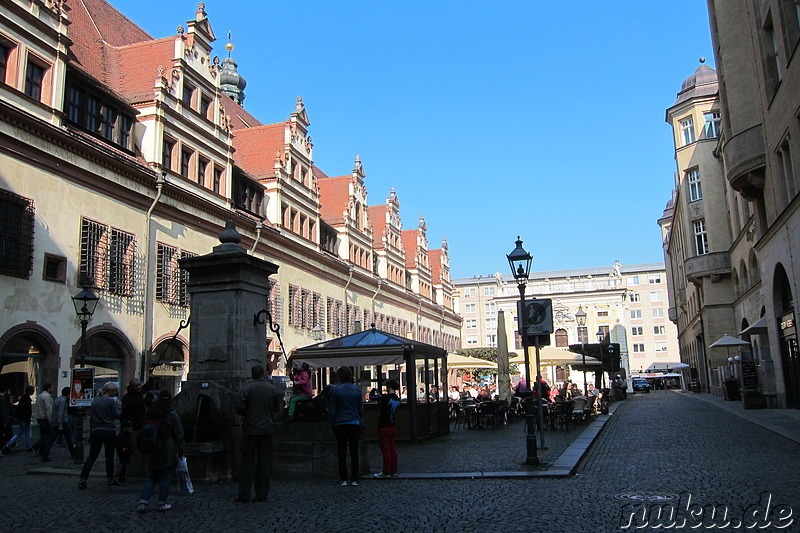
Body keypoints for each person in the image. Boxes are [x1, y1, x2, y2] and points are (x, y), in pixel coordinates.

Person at [234, 364, 281, 503]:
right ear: (263, 374)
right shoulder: (272, 389)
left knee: (247, 463)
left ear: (252, 375)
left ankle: (244, 494)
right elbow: (277, 408)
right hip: (266, 429)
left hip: (250, 430)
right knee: (264, 462)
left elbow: (239, 407)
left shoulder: (246, 389)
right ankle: (262, 493)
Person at [136, 390, 185, 512]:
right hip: (167, 446)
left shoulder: (151, 412)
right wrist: (181, 450)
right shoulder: (171, 413)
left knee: (152, 476)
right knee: (166, 476)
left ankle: (143, 502)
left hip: (152, 446)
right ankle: (162, 503)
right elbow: (179, 433)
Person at [78, 382, 121, 489]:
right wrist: (119, 407)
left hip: (97, 430)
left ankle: (83, 478)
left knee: (92, 456)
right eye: (114, 391)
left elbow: (92, 418)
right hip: (108, 430)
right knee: (109, 456)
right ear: (110, 391)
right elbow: (116, 416)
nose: (115, 393)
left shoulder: (95, 401)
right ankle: (110, 479)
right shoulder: (110, 402)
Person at [328, 366, 363, 486]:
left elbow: (332, 410)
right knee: (354, 451)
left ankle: (343, 478)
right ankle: (354, 479)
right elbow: (360, 408)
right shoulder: (356, 389)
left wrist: (332, 425)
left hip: (340, 422)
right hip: (354, 421)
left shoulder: (335, 390)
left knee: (341, 451)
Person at [371, 379, 401, 479]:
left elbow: (372, 397)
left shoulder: (385, 397)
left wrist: (373, 390)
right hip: (392, 425)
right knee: (392, 448)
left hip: (383, 426)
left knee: (385, 449)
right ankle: (394, 470)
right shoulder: (397, 399)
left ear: (389, 387)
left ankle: (386, 471)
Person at [40, 387, 75, 462]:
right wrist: (61, 425)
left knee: (51, 439)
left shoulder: (57, 399)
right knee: (69, 439)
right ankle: (74, 454)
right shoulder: (63, 401)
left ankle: (45, 454)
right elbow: (61, 413)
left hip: (56, 422)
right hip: (63, 422)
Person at [3, 386, 33, 453]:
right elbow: (26, 411)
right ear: (30, 391)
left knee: (19, 433)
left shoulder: (23, 398)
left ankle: (8, 444)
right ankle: (28, 446)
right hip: (25, 419)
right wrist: (28, 418)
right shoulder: (27, 399)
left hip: (21, 418)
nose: (33, 392)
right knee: (27, 433)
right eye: (32, 391)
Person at [31, 383, 54, 456]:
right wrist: (50, 419)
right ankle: (36, 445)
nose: (52, 389)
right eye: (52, 387)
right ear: (49, 388)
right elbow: (48, 409)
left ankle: (42, 450)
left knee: (43, 434)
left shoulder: (40, 395)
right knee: (48, 434)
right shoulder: (47, 397)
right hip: (44, 418)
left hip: (39, 417)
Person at [116, 419, 134, 484]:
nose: (131, 428)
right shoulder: (122, 435)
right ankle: (122, 478)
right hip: (123, 452)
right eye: (129, 427)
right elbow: (118, 444)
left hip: (128, 451)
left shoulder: (128, 434)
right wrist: (122, 448)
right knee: (125, 465)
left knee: (126, 465)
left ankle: (123, 477)